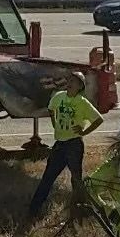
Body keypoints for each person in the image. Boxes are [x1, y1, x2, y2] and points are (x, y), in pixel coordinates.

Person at [26, 70, 104, 219]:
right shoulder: (59, 97)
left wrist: (84, 131)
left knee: (76, 179)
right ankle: (33, 209)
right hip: (60, 145)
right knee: (48, 177)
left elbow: (98, 119)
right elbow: (51, 109)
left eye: (73, 82)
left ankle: (80, 210)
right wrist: (55, 123)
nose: (69, 83)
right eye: (69, 81)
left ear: (80, 86)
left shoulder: (82, 102)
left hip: (74, 144)